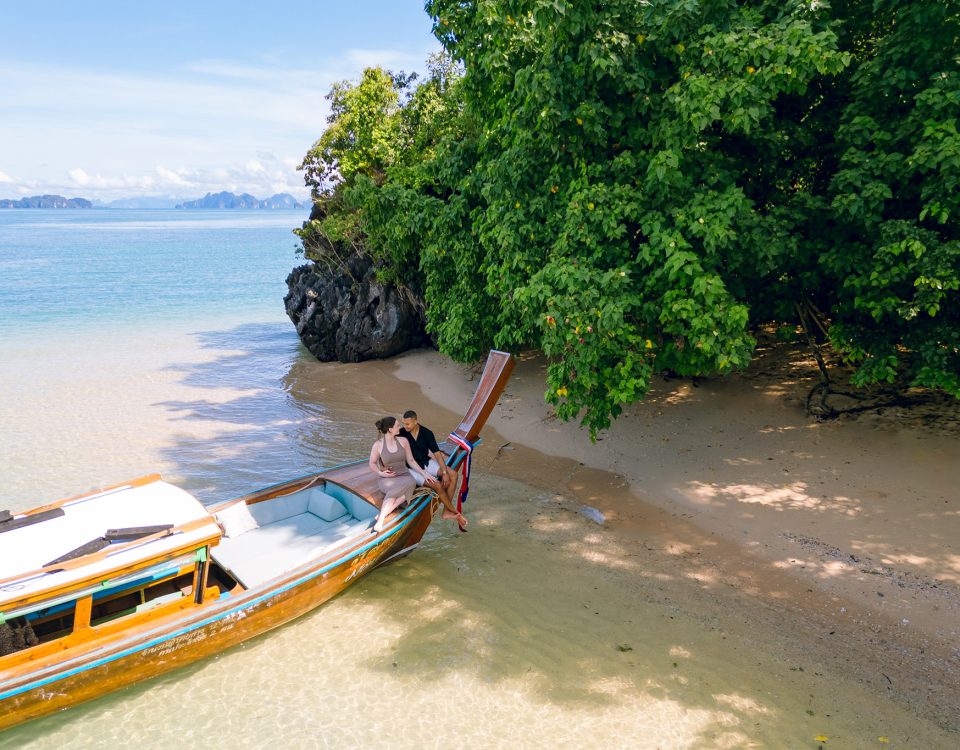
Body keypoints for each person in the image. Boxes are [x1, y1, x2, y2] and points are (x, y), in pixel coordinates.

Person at [400, 410, 467, 532]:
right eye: (404, 423)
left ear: (416, 421)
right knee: (438, 485)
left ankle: (446, 511)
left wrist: (445, 473)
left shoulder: (427, 433)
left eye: (408, 424)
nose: (405, 426)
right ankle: (454, 511)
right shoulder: (401, 433)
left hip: (426, 462)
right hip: (411, 467)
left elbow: (437, 454)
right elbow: (387, 443)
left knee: (454, 475)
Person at [369, 416, 420, 533]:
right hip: (387, 478)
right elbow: (371, 463)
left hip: (404, 475)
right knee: (404, 489)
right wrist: (381, 473)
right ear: (390, 429)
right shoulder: (378, 445)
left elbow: (411, 461)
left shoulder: (403, 441)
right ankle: (381, 519)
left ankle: (382, 515)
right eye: (397, 425)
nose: (400, 427)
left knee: (412, 482)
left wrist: (425, 474)